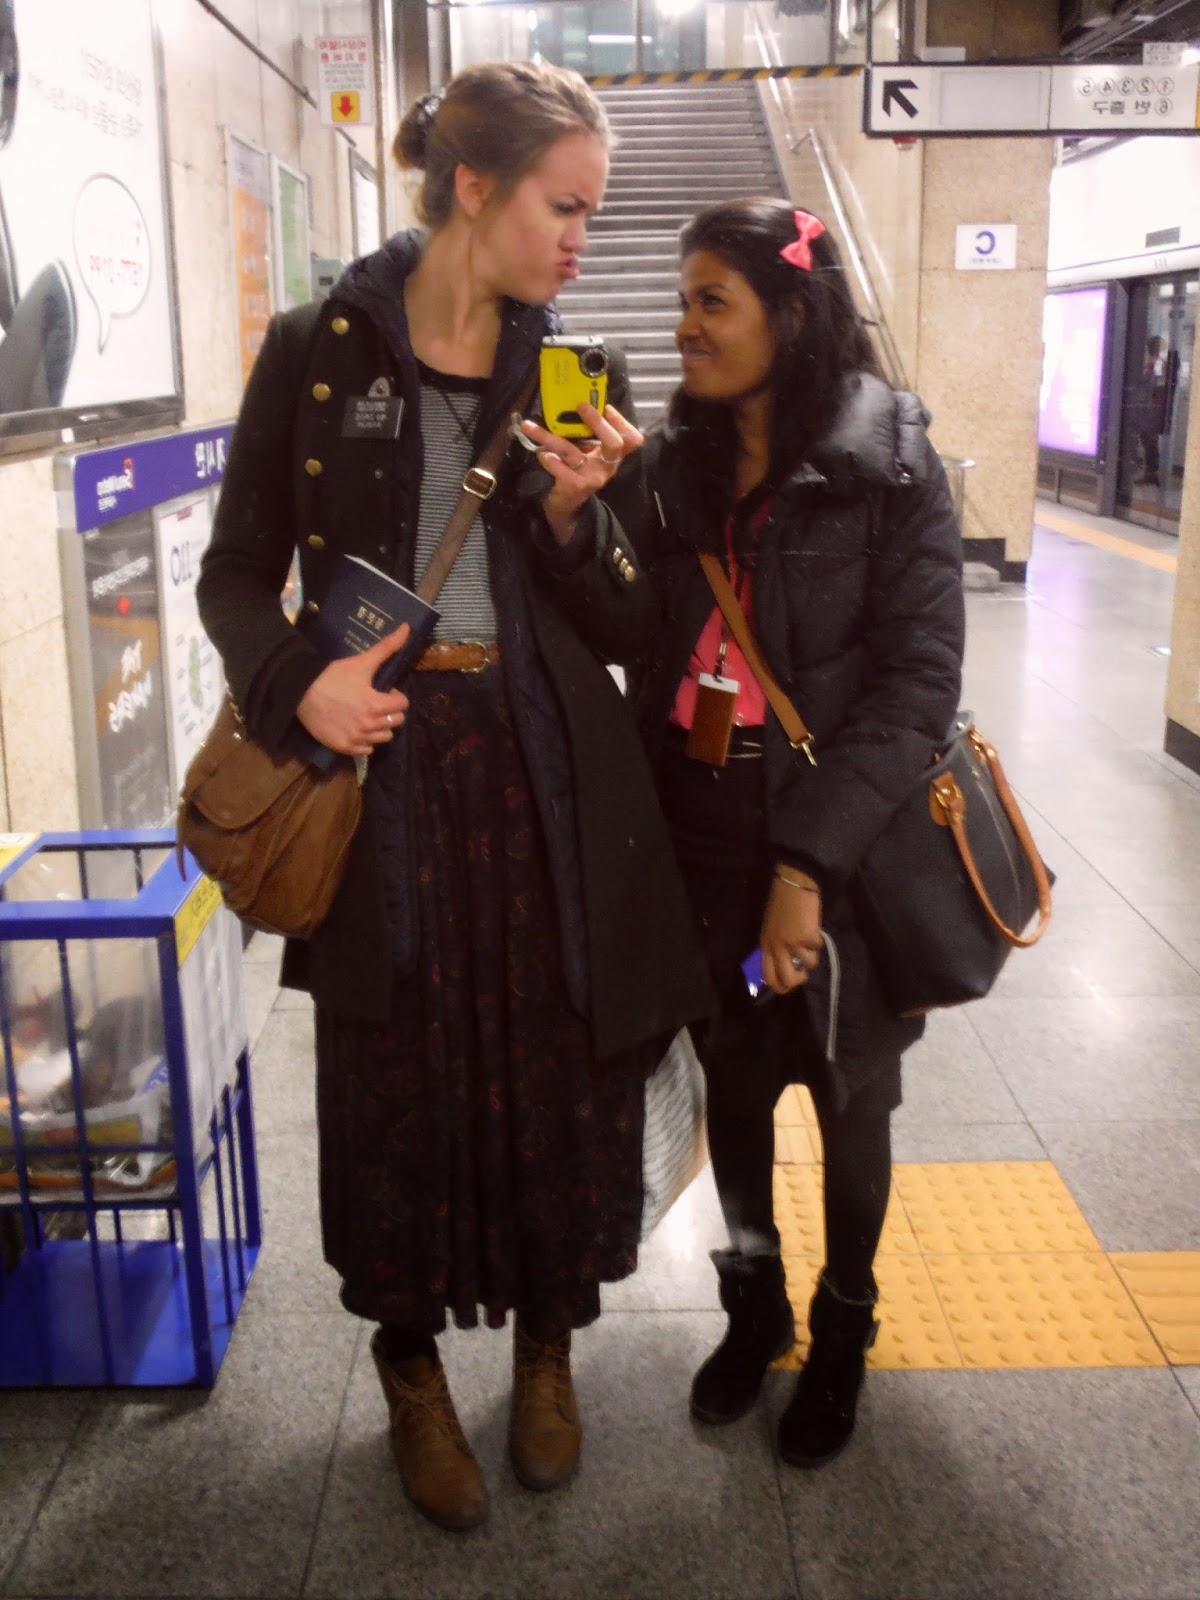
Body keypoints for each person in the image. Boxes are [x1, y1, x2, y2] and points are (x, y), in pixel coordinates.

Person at [196, 60, 710, 1533]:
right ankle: (412, 1370)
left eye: (593, 214)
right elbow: (235, 573)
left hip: (545, 780)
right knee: (393, 1077)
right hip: (381, 778)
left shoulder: (577, 374)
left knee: (554, 1069)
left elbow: (627, 624)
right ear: (474, 188)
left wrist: (577, 519)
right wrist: (297, 684)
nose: (582, 242)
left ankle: (548, 1347)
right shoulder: (315, 351)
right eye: (566, 207)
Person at [627, 199, 965, 1467]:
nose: (685, 325)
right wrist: (571, 522)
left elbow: (917, 686)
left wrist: (805, 866)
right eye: (683, 299)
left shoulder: (893, 468)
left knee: (845, 1092)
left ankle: (843, 1328)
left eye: (711, 300)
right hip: (703, 839)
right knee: (735, 1086)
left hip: (842, 859)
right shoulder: (674, 468)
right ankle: (753, 1306)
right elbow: (626, 634)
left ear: (793, 314)